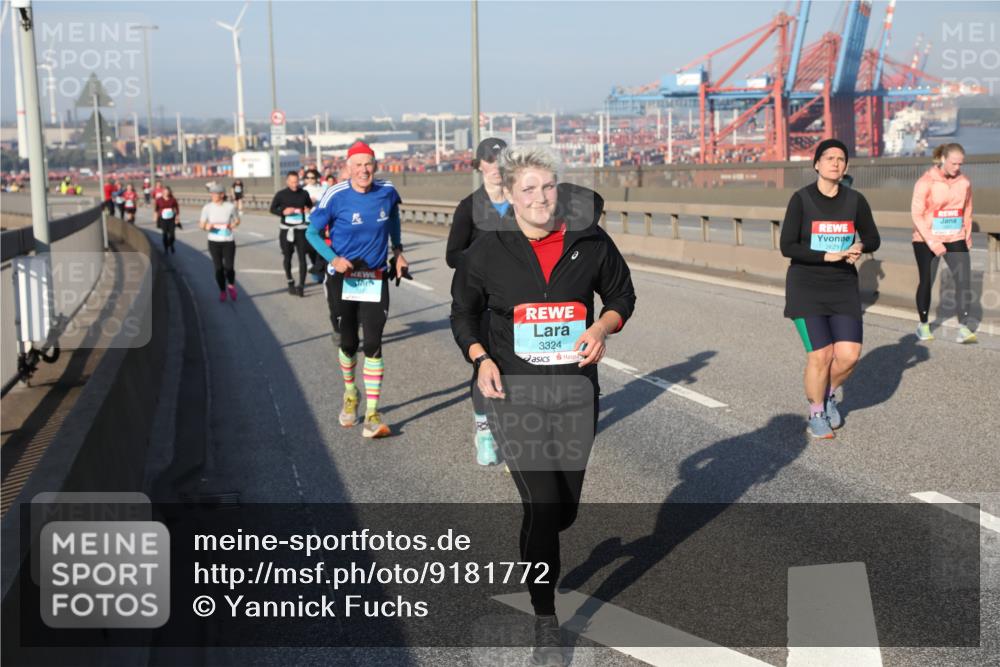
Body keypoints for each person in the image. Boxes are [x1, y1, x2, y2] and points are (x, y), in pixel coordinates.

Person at [451, 146, 636, 666]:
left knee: (566, 509)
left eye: (548, 187)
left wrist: (601, 327)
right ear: (510, 196)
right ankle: (545, 617)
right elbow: (462, 312)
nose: (540, 198)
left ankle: (542, 545)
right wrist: (479, 355)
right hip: (514, 393)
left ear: (559, 190)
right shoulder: (487, 250)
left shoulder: (590, 241)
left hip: (576, 392)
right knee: (542, 504)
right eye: (528, 189)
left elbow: (623, 296)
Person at [780, 138, 881, 440]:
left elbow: (873, 237)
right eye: (829, 158)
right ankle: (816, 412)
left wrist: (860, 245)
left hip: (843, 286)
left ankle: (827, 393)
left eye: (841, 159)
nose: (836, 163)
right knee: (821, 355)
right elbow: (787, 246)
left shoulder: (855, 201)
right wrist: (828, 255)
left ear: (846, 166)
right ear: (816, 165)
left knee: (849, 355)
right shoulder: (801, 199)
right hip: (806, 286)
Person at [306, 141, 407, 439]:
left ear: (375, 166)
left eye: (369, 164)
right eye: (358, 165)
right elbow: (311, 232)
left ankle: (373, 414)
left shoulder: (387, 191)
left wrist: (398, 251)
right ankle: (351, 394)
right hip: (343, 277)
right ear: (348, 167)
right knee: (349, 343)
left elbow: (394, 220)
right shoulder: (336, 195)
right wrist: (332, 259)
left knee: (373, 343)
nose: (364, 170)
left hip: (374, 277)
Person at [446, 138, 510, 466]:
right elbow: (452, 256)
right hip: (481, 302)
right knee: (485, 363)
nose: (496, 167)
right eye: (490, 160)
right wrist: (483, 261)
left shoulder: (523, 203)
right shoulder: (469, 207)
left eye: (502, 160)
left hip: (515, 302)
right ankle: (484, 431)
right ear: (480, 165)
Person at [911, 143, 975, 344]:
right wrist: (932, 242)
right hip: (926, 238)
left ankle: (964, 328)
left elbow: (967, 210)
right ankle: (923, 325)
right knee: (927, 281)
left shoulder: (964, 182)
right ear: (943, 160)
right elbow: (916, 214)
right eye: (954, 163)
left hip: (955, 236)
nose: (957, 167)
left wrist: (967, 234)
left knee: (963, 281)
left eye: (960, 164)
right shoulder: (926, 182)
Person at [269, 170, 314, 296]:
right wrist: (283, 212)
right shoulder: (281, 194)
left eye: (297, 182)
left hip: (301, 229)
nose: (295, 184)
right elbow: (272, 209)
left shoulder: (304, 193)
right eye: (292, 182)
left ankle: (301, 286)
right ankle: (290, 281)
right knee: (287, 257)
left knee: (302, 258)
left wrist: (307, 209)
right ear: (287, 182)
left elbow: (309, 206)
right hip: (286, 230)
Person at [199, 183, 241, 302]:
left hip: (228, 241)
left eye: (214, 193)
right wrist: (207, 226)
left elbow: (237, 220)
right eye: (211, 193)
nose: (212, 195)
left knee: (229, 267)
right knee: (218, 268)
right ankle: (222, 290)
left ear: (222, 195)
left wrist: (232, 225)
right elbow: (201, 224)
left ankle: (231, 285)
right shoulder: (207, 208)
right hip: (214, 242)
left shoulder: (230, 207)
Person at [301, 168, 327, 283]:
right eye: (307, 177)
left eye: (312, 177)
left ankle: (318, 272)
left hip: (321, 221)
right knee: (310, 248)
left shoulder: (323, 189)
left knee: (320, 247)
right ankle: (316, 268)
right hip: (308, 221)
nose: (310, 180)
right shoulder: (303, 191)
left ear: (316, 178)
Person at [156, 185, 181, 254]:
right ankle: (166, 248)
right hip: (163, 219)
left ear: (170, 192)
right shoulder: (159, 200)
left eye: (168, 191)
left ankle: (171, 244)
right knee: (165, 234)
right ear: (163, 192)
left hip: (171, 219)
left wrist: (177, 217)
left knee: (172, 235)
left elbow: (177, 208)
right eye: (165, 191)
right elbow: (156, 209)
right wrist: (156, 217)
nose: (166, 193)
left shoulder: (173, 199)